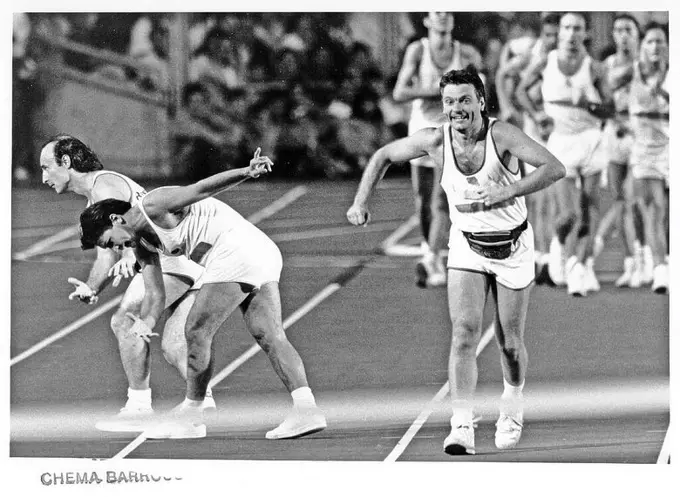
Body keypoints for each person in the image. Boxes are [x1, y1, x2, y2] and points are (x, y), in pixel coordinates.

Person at [347, 66, 565, 455]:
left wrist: (508, 191)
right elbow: (383, 155)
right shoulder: (435, 141)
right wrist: (361, 201)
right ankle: (461, 423)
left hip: (513, 247)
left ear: (481, 101)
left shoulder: (502, 136)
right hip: (466, 245)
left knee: (509, 343)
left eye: (464, 100)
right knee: (464, 332)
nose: (456, 109)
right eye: (449, 102)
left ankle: (512, 405)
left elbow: (554, 168)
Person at [78, 149, 327, 440]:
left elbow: (199, 188)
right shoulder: (142, 246)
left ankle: (192, 415)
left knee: (195, 331)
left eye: (110, 241)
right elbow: (156, 294)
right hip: (259, 253)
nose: (116, 250)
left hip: (238, 250)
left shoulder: (153, 205)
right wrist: (145, 324)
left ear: (115, 219)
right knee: (269, 335)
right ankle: (306, 409)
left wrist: (245, 172)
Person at [39, 135, 209, 432]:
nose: (43, 178)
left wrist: (131, 253)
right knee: (172, 345)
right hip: (162, 264)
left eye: (46, 167)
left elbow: (128, 225)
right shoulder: (95, 200)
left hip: (168, 263)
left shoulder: (104, 185)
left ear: (65, 163)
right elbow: (105, 258)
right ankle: (203, 405)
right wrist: (92, 288)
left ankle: (141, 408)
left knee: (124, 323)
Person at [516, 12, 614, 297]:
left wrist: (590, 106)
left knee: (588, 209)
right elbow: (521, 91)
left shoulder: (593, 67)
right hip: (561, 142)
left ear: (585, 33)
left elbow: (610, 109)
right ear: (559, 33)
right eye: (567, 28)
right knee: (567, 214)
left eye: (577, 28)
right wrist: (536, 114)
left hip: (591, 141)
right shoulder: (546, 62)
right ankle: (559, 246)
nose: (572, 33)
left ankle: (579, 265)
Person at [393, 12, 482, 288]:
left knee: (440, 199)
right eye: (436, 13)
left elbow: (482, 91)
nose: (442, 17)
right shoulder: (418, 50)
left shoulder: (466, 53)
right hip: (421, 129)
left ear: (453, 22)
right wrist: (433, 91)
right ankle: (428, 248)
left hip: (451, 131)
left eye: (447, 13)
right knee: (421, 200)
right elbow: (399, 92)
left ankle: (432, 257)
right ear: (428, 21)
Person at [496, 12, 560, 284]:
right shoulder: (529, 56)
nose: (553, 40)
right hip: (535, 129)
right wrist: (508, 107)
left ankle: (551, 254)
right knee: (537, 197)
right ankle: (539, 256)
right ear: (541, 35)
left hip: (559, 129)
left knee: (556, 198)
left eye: (557, 36)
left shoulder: (567, 56)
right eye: (549, 35)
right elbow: (502, 75)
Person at [591, 14, 650, 288]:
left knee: (634, 199)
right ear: (613, 36)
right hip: (615, 134)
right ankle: (630, 263)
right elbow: (601, 103)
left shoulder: (649, 63)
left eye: (628, 29)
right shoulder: (606, 66)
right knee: (618, 199)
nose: (623, 35)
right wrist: (613, 119)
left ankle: (644, 258)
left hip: (641, 135)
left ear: (637, 34)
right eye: (618, 30)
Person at [628, 22, 669, 293]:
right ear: (642, 46)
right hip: (644, 152)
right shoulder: (630, 73)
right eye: (650, 42)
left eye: (660, 41)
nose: (655, 46)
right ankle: (659, 269)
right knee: (654, 210)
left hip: (670, 148)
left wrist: (663, 94)